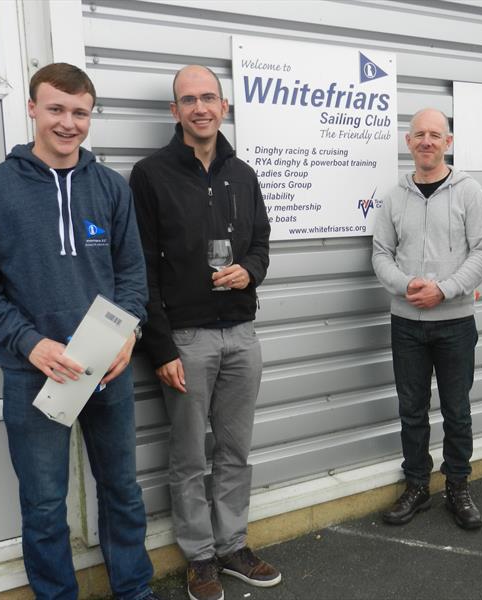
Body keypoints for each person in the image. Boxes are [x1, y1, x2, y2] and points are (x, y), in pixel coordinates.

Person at [0, 63, 155, 599]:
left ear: (90, 116)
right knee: (44, 503)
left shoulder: (111, 188)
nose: (68, 123)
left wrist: (128, 336)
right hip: (33, 375)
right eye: (56, 109)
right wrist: (31, 343)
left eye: (80, 113)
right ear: (31, 108)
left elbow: (132, 276)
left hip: (106, 370)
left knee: (121, 491)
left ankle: (134, 590)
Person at [129, 65, 277, 600]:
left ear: (224, 106)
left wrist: (250, 270)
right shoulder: (150, 175)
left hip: (241, 332)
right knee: (190, 456)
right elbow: (140, 266)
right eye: (188, 100)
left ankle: (233, 543)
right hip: (186, 340)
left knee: (235, 450)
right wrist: (160, 345)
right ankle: (199, 557)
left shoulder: (243, 173)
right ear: (175, 111)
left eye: (209, 98)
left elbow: (262, 241)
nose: (200, 108)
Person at [372, 108, 482, 530]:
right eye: (419, 134)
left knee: (457, 409)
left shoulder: (469, 192)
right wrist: (407, 285)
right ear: (408, 142)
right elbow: (380, 254)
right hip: (406, 322)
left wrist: (444, 289)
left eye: (435, 135)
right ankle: (418, 485)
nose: (427, 141)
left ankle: (458, 485)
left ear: (448, 142)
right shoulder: (393, 197)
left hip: (456, 322)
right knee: (412, 410)